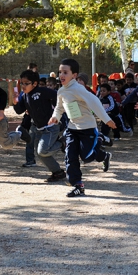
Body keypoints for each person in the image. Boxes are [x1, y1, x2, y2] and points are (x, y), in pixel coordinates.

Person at [48, 58, 116, 198]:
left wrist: (107, 120)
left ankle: (101, 146)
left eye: (65, 72)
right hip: (72, 129)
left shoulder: (79, 89)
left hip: (87, 128)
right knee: (70, 156)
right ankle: (77, 185)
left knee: (87, 157)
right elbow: (59, 107)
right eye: (60, 72)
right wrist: (56, 117)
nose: (61, 75)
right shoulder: (61, 91)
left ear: (74, 75)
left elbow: (95, 102)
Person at [13, 70, 65, 183]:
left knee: (42, 151)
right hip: (37, 128)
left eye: (26, 83)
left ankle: (63, 143)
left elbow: (58, 96)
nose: (23, 86)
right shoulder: (25, 95)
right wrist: (15, 101)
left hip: (51, 127)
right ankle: (58, 172)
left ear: (35, 84)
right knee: (40, 153)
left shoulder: (42, 91)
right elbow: (18, 110)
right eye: (22, 83)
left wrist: (57, 112)